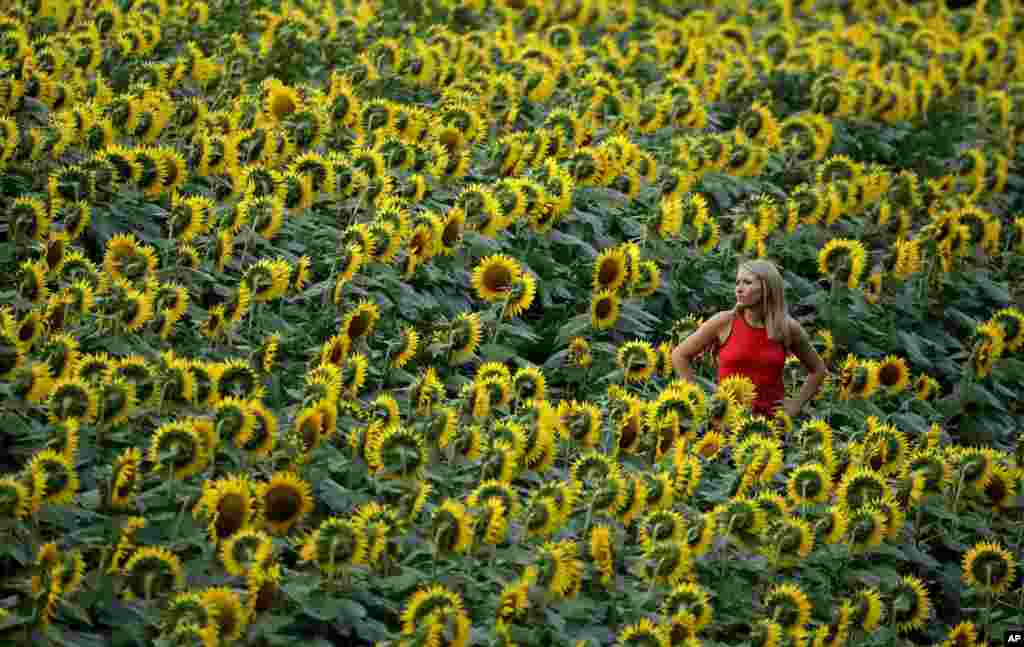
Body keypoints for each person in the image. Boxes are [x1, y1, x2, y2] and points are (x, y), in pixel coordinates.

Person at [670, 259, 828, 418]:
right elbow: (679, 355)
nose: (739, 288)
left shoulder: (786, 328)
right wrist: (696, 398)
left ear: (767, 288)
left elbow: (818, 370)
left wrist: (795, 405)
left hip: (771, 427)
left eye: (747, 282)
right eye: (737, 282)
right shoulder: (724, 322)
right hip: (726, 424)